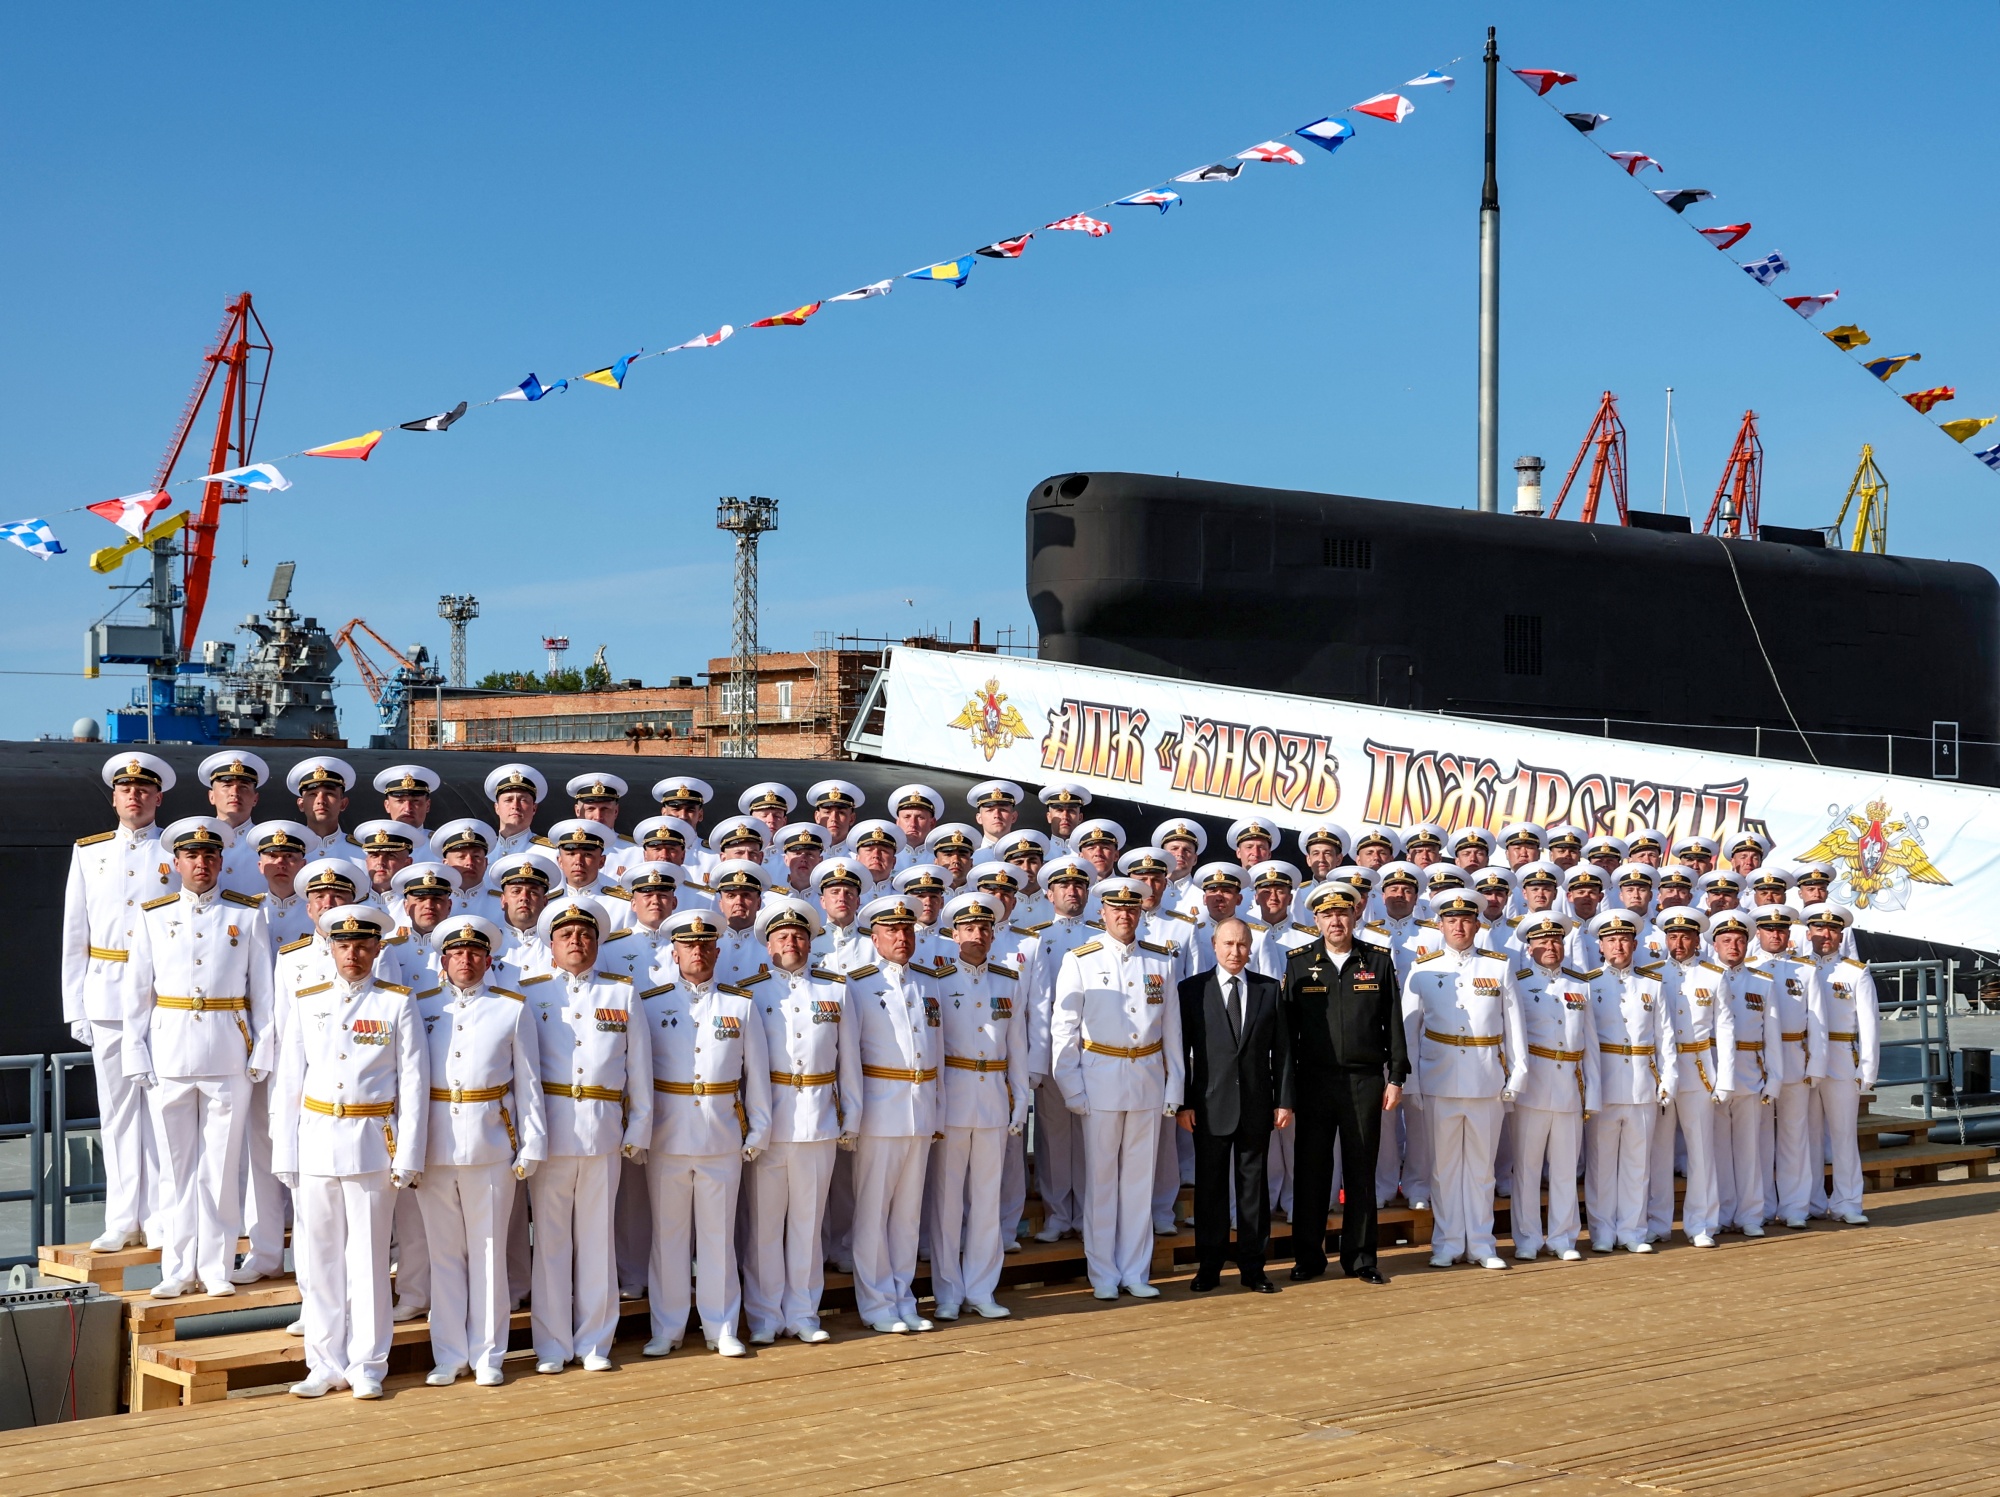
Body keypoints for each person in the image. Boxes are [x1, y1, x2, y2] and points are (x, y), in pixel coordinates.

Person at [271, 904, 427, 1400]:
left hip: (371, 1141)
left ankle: (368, 1364)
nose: (353, 953)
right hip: (316, 1139)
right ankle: (322, 1363)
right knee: (318, 1263)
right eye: (344, 945)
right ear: (331, 949)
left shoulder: (396, 1003)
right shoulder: (308, 999)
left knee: (368, 1261)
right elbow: (289, 1079)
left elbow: (415, 1086)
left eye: (363, 945)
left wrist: (409, 1154)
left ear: (378, 949)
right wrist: (285, 1150)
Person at [126, 817, 275, 1298]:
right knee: (173, 1167)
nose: (202, 863)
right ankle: (176, 1267)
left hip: (228, 1050)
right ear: (176, 863)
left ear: (221, 862)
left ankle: (214, 1266)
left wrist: (262, 1047)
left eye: (210, 856)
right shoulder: (153, 915)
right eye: (192, 856)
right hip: (169, 1051)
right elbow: (137, 995)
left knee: (221, 1167)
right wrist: (136, 1052)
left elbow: (264, 993)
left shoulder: (247, 915)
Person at [524, 896, 652, 1374]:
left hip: (602, 1132)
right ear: (550, 944)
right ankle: (552, 1345)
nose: (576, 942)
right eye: (566, 936)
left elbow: (638, 1069)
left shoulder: (621, 994)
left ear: (597, 943)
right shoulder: (532, 993)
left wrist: (638, 1126)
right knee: (552, 1243)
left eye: (585, 935)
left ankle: (596, 1342)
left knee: (598, 1241)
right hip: (552, 1132)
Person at [417, 915, 545, 1388]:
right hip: (434, 1146)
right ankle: (449, 1353)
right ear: (443, 961)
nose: (465, 961)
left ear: (489, 960)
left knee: (490, 1253)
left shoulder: (510, 1009)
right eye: (456, 954)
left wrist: (532, 1142)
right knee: (444, 1254)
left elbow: (529, 1085)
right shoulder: (422, 1006)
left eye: (475, 953)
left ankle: (490, 1354)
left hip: (491, 1143)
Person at [639, 908, 770, 1359]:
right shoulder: (650, 1002)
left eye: (705, 944)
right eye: (688, 945)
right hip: (667, 1135)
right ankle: (668, 1326)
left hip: (721, 1135)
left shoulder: (740, 1004)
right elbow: (638, 1073)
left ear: (718, 949)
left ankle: (722, 1326)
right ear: (673, 952)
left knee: (719, 1236)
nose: (698, 951)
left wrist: (759, 1130)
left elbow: (756, 1075)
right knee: (668, 1237)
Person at [63, 751, 179, 1253]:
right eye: (126, 789)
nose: (135, 796)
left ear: (158, 797)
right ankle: (122, 1218)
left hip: (160, 998)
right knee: (115, 1112)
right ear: (115, 797)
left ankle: (157, 1217)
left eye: (144, 789)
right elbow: (74, 935)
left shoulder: (177, 851)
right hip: (107, 993)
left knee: (162, 1111)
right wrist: (75, 1006)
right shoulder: (90, 853)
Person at [1051, 876, 1184, 1300]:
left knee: (1139, 1182)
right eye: (1116, 908)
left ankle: (1135, 1270)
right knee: (1103, 1182)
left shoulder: (1161, 961)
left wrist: (1174, 1086)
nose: (1124, 915)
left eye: (1131, 909)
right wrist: (1072, 1088)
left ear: (1140, 913)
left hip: (1146, 1079)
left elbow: (1173, 1032)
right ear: (1102, 912)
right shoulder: (1080, 959)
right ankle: (1104, 1272)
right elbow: (1064, 1029)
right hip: (1100, 1079)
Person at [741, 897, 859, 1346]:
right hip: (769, 1121)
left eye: (799, 935)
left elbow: (849, 1062)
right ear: (767, 944)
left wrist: (852, 1116)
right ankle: (766, 1313)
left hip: (818, 1119)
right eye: (782, 936)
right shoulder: (749, 991)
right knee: (765, 1227)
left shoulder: (835, 990)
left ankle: (805, 1311)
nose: (791, 942)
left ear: (811, 942)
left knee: (808, 1225)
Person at [1280, 879, 1404, 1285]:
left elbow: (1394, 1025)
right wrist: (1286, 1087)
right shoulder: (1298, 961)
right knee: (1311, 1172)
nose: (1336, 920)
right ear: (1316, 919)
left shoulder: (1378, 960)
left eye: (1343, 912)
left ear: (1356, 915)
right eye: (1327, 914)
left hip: (1365, 1080)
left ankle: (1361, 1257)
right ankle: (1309, 1257)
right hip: (1314, 1080)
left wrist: (1397, 1076)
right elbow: (1287, 1033)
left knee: (1361, 1170)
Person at [1401, 889, 1525, 1271]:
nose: (1459, 925)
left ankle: (1483, 1243)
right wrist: (1412, 1083)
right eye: (1451, 919)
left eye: (1467, 919)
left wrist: (1517, 1074)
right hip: (1439, 1079)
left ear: (1477, 924)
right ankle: (1449, 1242)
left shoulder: (1498, 967)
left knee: (1482, 1168)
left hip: (1486, 1078)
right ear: (1440, 925)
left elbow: (1514, 1027)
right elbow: (1409, 1032)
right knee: (1443, 1169)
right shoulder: (1421, 969)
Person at [926, 890, 1029, 1320]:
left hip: (992, 1098)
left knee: (988, 1200)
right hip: (953, 1093)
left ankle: (983, 1288)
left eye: (986, 927)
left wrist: (1020, 1099)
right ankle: (948, 1292)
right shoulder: (936, 979)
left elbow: (1018, 1046)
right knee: (948, 1201)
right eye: (969, 927)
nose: (979, 934)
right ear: (953, 934)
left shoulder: (1008, 979)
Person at [844, 894, 943, 1333]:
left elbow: (936, 1051)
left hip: (919, 1110)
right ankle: (876, 1302)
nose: (902, 937)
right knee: (873, 1213)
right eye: (892, 931)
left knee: (907, 1214)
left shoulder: (929, 982)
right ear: (874, 937)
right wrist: (853, 1114)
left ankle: (904, 1296)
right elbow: (848, 1059)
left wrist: (936, 1112)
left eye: (907, 930)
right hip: (879, 1110)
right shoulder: (857, 983)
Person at [1177, 916, 1288, 1293]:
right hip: (1208, 1107)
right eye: (1228, 944)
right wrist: (1183, 1103)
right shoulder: (1191, 990)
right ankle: (1208, 1267)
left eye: (1242, 945)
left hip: (1258, 1105)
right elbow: (1182, 1053)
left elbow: (1284, 1053)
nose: (1235, 952)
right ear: (1214, 945)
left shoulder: (1269, 990)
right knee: (1209, 1191)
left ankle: (1253, 1268)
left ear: (1251, 947)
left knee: (1253, 1191)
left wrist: (1283, 1101)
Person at [1507, 912, 1597, 1261]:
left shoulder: (1580, 984)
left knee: (1564, 1170)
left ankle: (1563, 1238)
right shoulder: (1519, 982)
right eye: (1542, 941)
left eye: (1556, 940)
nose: (1550, 947)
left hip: (1570, 1086)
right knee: (1527, 1171)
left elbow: (1590, 1045)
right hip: (1533, 1085)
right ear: (1529, 947)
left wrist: (1594, 1093)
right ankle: (1527, 1239)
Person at [1582, 909, 1672, 1254]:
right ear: (1600, 946)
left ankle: (1633, 1230)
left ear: (1635, 944)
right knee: (1601, 1164)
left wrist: (1667, 1079)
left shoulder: (1652, 984)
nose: (1617, 945)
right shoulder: (1588, 984)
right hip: (1604, 1083)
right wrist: (1589, 1087)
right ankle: (1603, 1232)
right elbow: (1587, 1043)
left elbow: (1665, 1038)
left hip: (1642, 1082)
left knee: (1638, 1163)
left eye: (1623, 939)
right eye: (1610, 940)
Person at [1024, 855, 1098, 1244]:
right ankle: (1057, 1213)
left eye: (1080, 885)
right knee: (1053, 1134)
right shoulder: (1036, 939)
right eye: (1064, 886)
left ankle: (1087, 1212)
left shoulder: (1101, 936)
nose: (1073, 891)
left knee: (1088, 1134)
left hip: (1095, 1049)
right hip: (1055, 1046)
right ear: (1049, 893)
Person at [1649, 907, 1733, 1248]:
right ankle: (1657, 1221)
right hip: (1660, 1069)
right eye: (1672, 936)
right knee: (1660, 1150)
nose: (1678, 943)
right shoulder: (1652, 975)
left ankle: (1702, 1223)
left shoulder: (1714, 976)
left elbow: (1725, 1031)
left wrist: (1724, 1079)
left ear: (1698, 940)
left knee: (1701, 1149)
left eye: (1685, 936)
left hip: (1699, 1067)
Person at [1802, 905, 1879, 1226]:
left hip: (1841, 1059)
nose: (1826, 936)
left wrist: (1868, 1069)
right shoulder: (1798, 969)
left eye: (1832, 930)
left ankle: (1848, 1201)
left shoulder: (1855, 972)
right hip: (1803, 1060)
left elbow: (1870, 1023)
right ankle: (1811, 1201)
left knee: (1844, 1136)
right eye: (1819, 930)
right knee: (1807, 1136)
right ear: (1809, 933)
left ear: (1841, 935)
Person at [1708, 909, 1780, 1236]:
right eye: (1726, 940)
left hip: (1751, 1072)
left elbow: (1772, 1035)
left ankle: (1751, 1214)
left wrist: (1775, 1078)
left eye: (1739, 940)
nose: (1733, 946)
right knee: (1718, 1151)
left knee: (1749, 1150)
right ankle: (1723, 1214)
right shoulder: (1705, 979)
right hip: (1713, 1072)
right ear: (1714, 944)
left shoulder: (1762, 982)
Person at [1749, 905, 1816, 1229]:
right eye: (1769, 929)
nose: (1775, 935)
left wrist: (1815, 1063)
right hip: (1756, 1062)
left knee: (1794, 1135)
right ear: (1758, 933)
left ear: (1789, 934)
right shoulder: (1747, 968)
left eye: (1781, 930)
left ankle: (1795, 1208)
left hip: (1794, 1056)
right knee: (1759, 1140)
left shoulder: (1805, 970)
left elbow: (1817, 1021)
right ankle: (1760, 1206)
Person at [199, 751, 270, 898]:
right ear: (211, 796)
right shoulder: (195, 843)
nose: (235, 793)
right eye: (226, 785)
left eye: (244, 786)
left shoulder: (267, 846)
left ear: (255, 799)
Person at [287, 756, 361, 860]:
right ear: (301, 804)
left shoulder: (363, 854)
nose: (321, 800)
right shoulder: (288, 855)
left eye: (329, 794)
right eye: (313, 794)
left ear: (343, 804)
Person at [373, 765, 441, 861]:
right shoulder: (371, 849)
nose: (408, 808)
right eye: (400, 801)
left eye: (415, 801)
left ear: (428, 805)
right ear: (387, 805)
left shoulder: (440, 848)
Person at [485, 763, 550, 860]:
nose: (515, 806)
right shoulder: (483, 854)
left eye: (523, 800)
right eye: (508, 800)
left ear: (534, 808)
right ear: (497, 807)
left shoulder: (550, 854)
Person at [1036, 781, 1091, 855]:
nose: (1065, 816)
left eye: (1071, 811)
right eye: (1059, 810)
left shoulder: (1088, 854)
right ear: (1049, 817)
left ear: (1080, 818)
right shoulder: (1040, 854)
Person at [968, 780, 1024, 848]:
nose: (997, 815)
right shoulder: (972, 857)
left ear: (1014, 817)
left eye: (1003, 810)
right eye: (990, 810)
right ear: (979, 818)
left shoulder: (1024, 857)